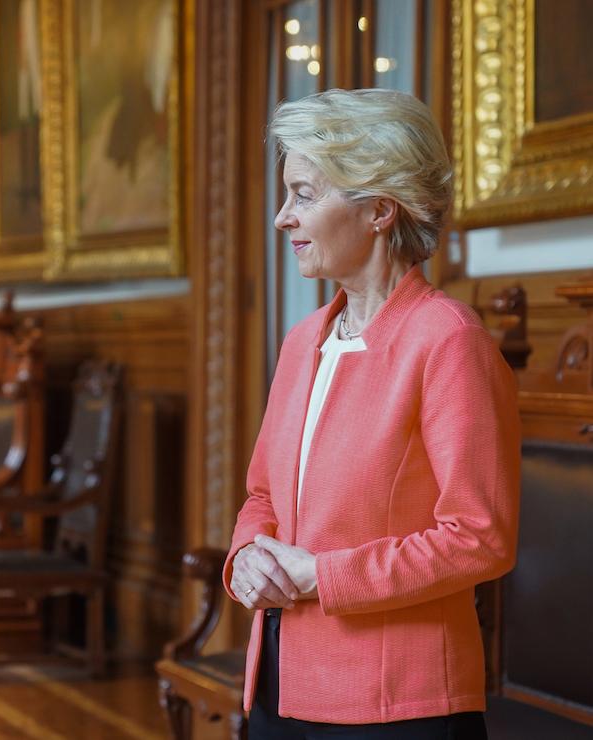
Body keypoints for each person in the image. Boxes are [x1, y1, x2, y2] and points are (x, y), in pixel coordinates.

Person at [223, 88, 519, 738]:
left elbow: (481, 537)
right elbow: (262, 495)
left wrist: (322, 575)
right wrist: (247, 554)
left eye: (303, 194)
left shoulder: (448, 340)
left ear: (380, 209)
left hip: (397, 705)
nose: (282, 217)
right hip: (277, 680)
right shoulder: (302, 342)